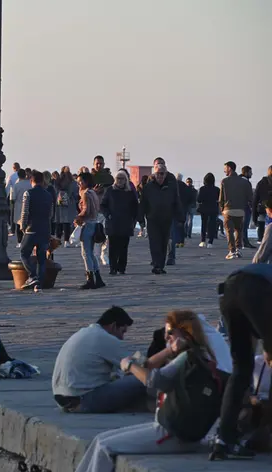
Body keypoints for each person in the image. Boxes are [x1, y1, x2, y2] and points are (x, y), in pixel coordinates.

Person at [75, 310, 222, 472]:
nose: (166, 337)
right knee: (99, 439)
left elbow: (153, 380)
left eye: (170, 333)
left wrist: (130, 365)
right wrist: (169, 350)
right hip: (171, 430)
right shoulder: (198, 355)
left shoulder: (187, 358)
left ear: (185, 333)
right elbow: (148, 365)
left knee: (104, 446)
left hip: (171, 434)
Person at [214, 263, 272, 459]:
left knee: (241, 368)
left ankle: (224, 439)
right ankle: (266, 431)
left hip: (230, 289)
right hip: (257, 291)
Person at [52, 306, 145, 413]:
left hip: (64, 399)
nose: (122, 338)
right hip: (84, 400)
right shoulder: (104, 338)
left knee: (118, 379)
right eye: (122, 331)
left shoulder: (85, 333)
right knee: (142, 379)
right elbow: (138, 366)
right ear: (114, 326)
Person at [139, 164, 181, 274]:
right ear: (154, 174)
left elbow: (176, 202)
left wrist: (180, 217)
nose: (160, 176)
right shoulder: (148, 187)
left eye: (162, 173)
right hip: (152, 219)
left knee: (163, 243)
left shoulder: (171, 187)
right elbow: (143, 203)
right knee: (154, 242)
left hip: (166, 219)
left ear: (166, 174)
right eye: (158, 173)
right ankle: (156, 265)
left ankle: (161, 265)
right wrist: (141, 219)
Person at [19, 170, 53, 291]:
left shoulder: (28, 193)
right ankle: (40, 282)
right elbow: (50, 214)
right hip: (44, 229)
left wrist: (22, 226)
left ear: (31, 180)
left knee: (24, 253)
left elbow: (25, 212)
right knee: (41, 257)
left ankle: (32, 276)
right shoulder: (48, 195)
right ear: (43, 181)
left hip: (31, 229)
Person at [100, 170, 138, 275]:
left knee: (123, 247)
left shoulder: (130, 192)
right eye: (118, 178)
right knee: (113, 247)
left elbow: (135, 207)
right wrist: (108, 215)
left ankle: (122, 267)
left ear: (126, 180)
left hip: (126, 223)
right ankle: (113, 268)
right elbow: (103, 205)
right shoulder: (110, 190)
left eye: (122, 178)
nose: (120, 181)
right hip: (113, 223)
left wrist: (134, 219)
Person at [75, 172, 105, 289]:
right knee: (91, 253)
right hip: (94, 223)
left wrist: (78, 217)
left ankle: (90, 279)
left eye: (80, 182)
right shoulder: (92, 192)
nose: (79, 184)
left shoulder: (86, 193)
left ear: (86, 182)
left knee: (86, 253)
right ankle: (98, 278)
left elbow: (86, 210)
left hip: (87, 225)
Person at [220, 161, 255, 260]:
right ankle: (238, 249)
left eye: (225, 168)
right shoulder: (245, 182)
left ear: (230, 168)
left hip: (228, 209)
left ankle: (232, 251)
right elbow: (250, 197)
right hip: (240, 210)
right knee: (239, 230)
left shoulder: (224, 181)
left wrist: (222, 209)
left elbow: (221, 198)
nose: (224, 170)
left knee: (229, 231)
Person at [54, 166, 79, 247]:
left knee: (59, 222)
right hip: (69, 204)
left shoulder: (57, 182)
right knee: (67, 222)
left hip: (59, 204)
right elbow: (75, 194)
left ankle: (57, 239)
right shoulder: (73, 182)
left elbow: (55, 192)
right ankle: (66, 241)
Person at [197, 172, 221, 248]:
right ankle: (210, 242)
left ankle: (203, 241)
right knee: (212, 225)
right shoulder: (217, 189)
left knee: (203, 225)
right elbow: (219, 199)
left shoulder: (202, 189)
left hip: (204, 209)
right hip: (213, 208)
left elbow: (199, 199)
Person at [9, 169, 31, 248]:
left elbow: (13, 198)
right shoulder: (30, 184)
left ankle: (19, 242)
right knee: (28, 224)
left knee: (19, 225)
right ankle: (27, 241)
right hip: (29, 206)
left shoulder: (16, 185)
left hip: (18, 206)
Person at [253, 166, 272, 244]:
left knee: (261, 223)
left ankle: (261, 239)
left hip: (262, 208)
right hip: (269, 208)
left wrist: (254, 216)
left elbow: (255, 199)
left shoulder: (261, 182)